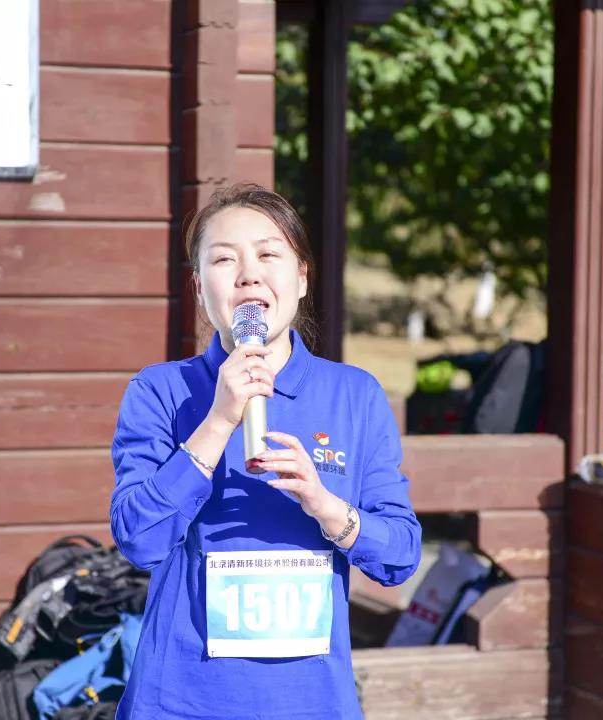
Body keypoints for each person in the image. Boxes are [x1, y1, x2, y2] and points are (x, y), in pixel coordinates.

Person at [110, 184, 421, 719]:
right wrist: (218, 420)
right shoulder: (160, 391)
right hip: (180, 701)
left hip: (311, 703)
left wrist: (326, 507)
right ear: (199, 286)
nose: (248, 275)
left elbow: (401, 555)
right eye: (224, 259)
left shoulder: (354, 395)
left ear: (301, 277)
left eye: (268, 255)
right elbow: (138, 538)